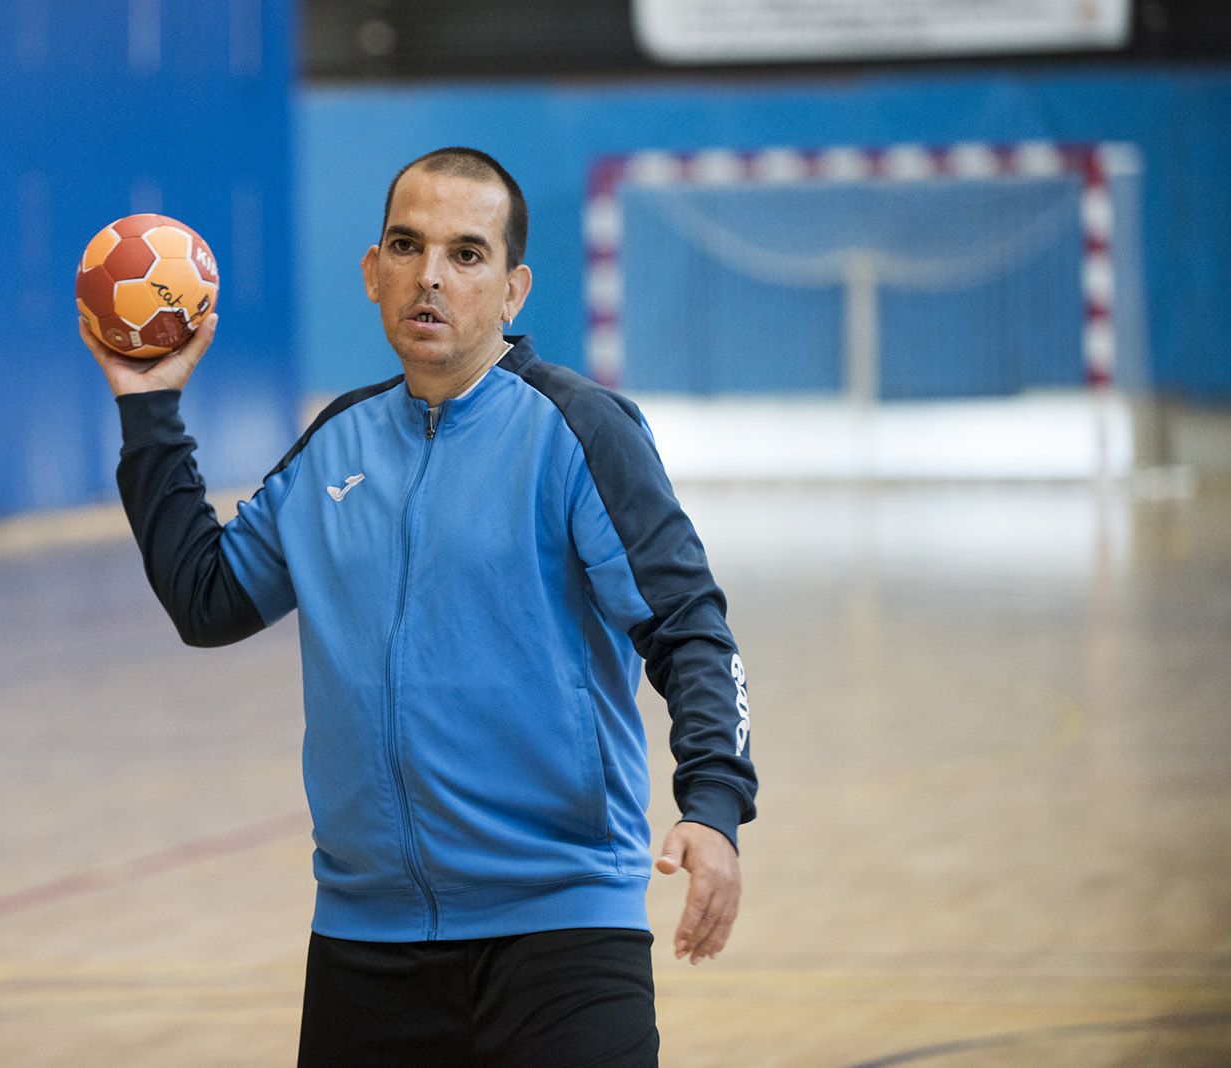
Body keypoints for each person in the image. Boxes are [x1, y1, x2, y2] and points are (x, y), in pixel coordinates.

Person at [81, 146, 757, 1066]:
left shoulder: (579, 432)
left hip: (560, 938)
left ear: (514, 290)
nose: (430, 276)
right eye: (407, 245)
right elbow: (209, 600)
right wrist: (150, 408)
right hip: (367, 948)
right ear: (372, 272)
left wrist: (712, 803)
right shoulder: (336, 446)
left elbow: (691, 630)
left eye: (467, 254)